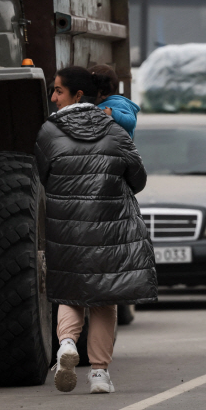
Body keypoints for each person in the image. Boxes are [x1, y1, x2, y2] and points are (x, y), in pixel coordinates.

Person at [34, 66, 157, 394]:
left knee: (70, 293)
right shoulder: (115, 131)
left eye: (58, 91)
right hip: (110, 230)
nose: (53, 97)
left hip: (67, 228)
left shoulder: (49, 131)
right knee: (104, 299)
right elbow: (138, 178)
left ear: (77, 95)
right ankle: (100, 373)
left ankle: (68, 346)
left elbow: (41, 174)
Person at [89, 64, 140, 138]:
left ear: (103, 92)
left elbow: (131, 122)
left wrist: (113, 113)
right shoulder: (97, 103)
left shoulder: (118, 103)